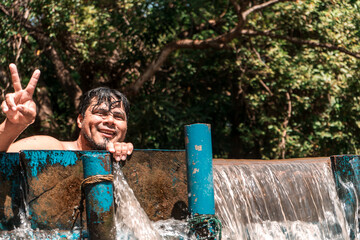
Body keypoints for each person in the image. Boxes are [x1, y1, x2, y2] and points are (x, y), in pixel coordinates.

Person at [0, 63, 133, 161]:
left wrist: (125, 154)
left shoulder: (127, 161)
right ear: (80, 120)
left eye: (118, 116)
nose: (110, 120)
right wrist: (13, 125)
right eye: (100, 113)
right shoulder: (51, 148)